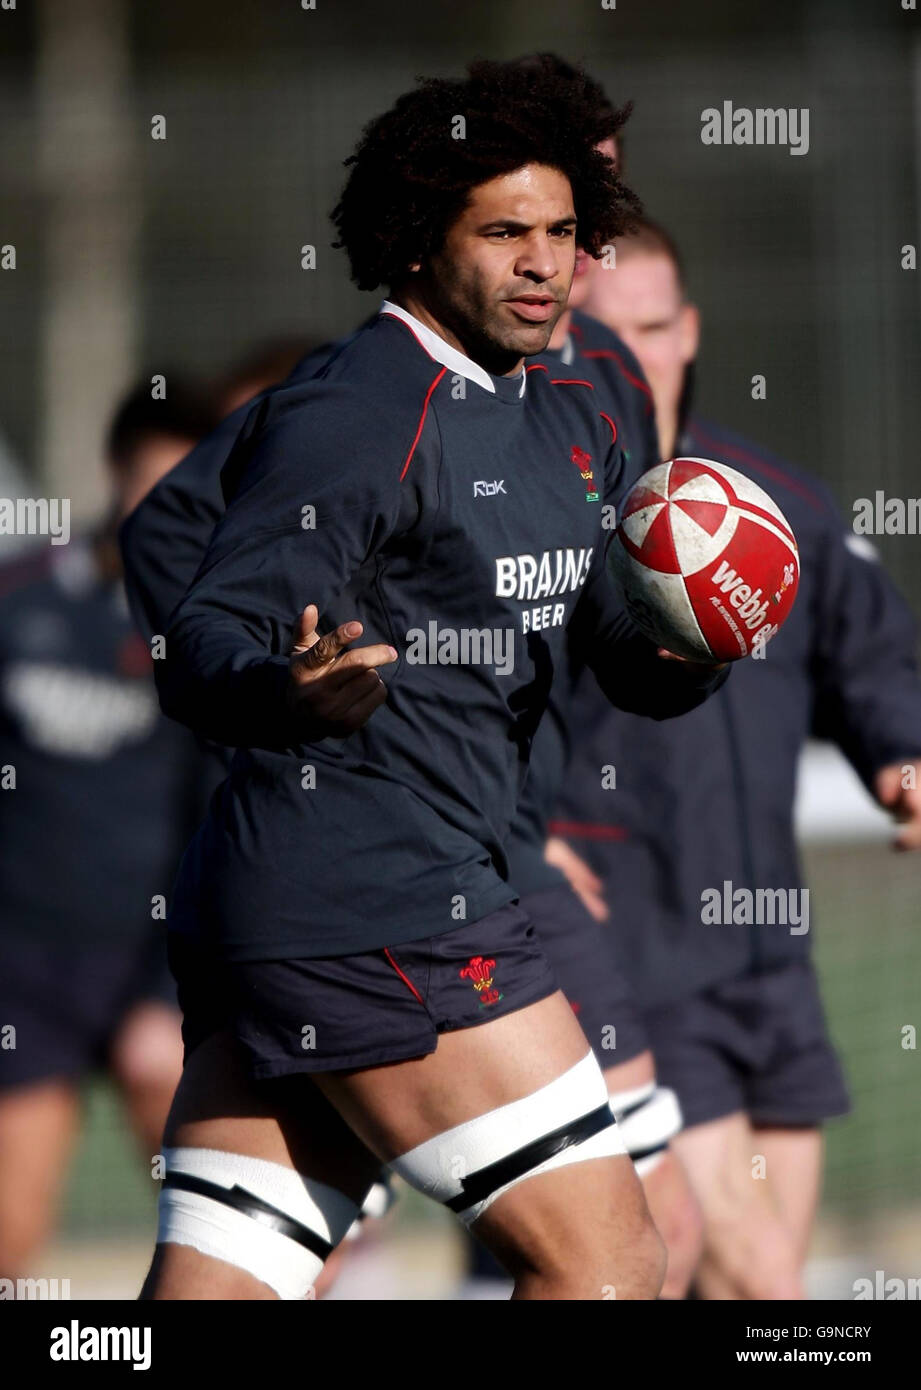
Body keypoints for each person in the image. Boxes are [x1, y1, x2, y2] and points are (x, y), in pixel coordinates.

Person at [137, 61, 728, 1303]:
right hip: (380, 901)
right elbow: (200, 625)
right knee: (610, 1264)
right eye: (503, 232)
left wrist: (681, 652)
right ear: (417, 243)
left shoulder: (574, 404)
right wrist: (285, 691)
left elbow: (608, 649)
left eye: (562, 233)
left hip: (316, 916)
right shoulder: (360, 409)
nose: (542, 263)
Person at [549, 217, 921, 1298]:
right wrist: (526, 845)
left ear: (690, 329)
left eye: (654, 327)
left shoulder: (775, 508)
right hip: (639, 953)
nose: (633, 355)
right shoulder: (545, 519)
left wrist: (905, 762)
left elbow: (874, 662)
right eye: (603, 331)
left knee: (749, 1277)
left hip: (773, 957)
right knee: (755, 1272)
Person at [0, 377, 216, 1279]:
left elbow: (221, 807)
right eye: (145, 482)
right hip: (22, 967)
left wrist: (169, 995)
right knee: (8, 1226)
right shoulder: (20, 598)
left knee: (225, 1226)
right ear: (112, 472)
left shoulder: (216, 628)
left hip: (156, 962)